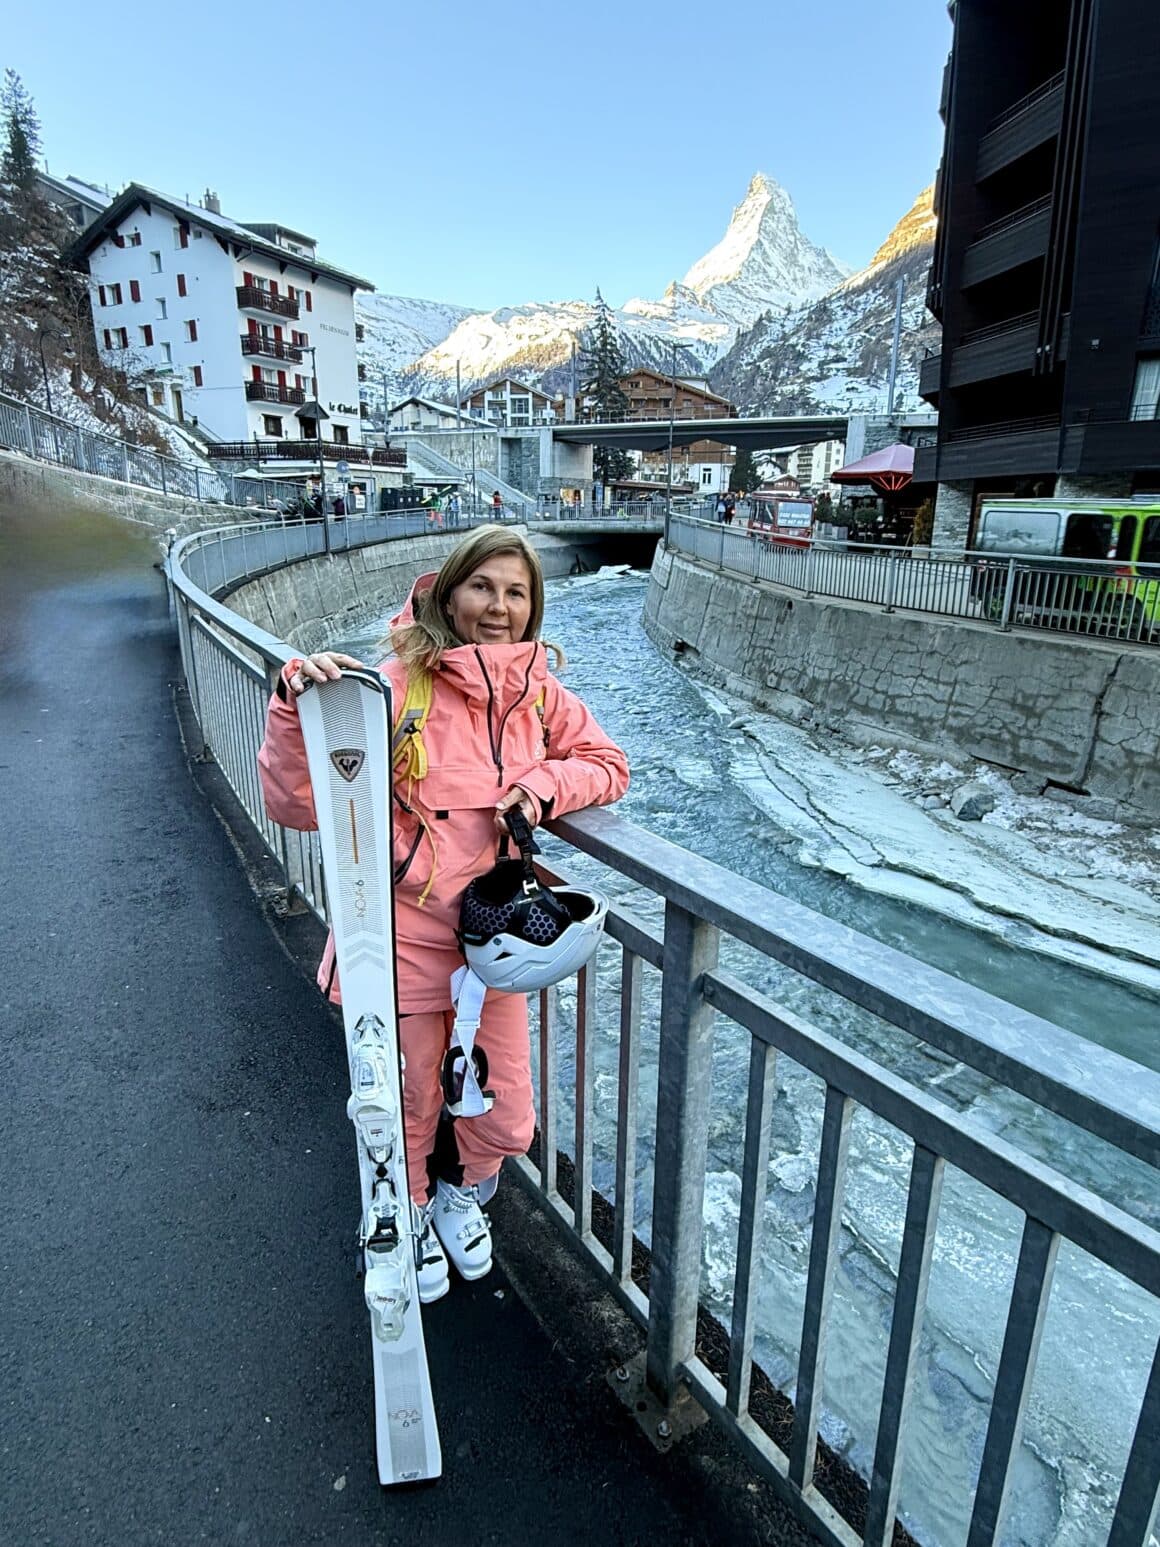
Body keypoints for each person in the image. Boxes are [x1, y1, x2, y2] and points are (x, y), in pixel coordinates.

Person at [258, 526, 629, 1302]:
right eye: (484, 587)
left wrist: (543, 789)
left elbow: (606, 764)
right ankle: (412, 1211)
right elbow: (295, 803)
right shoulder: (397, 687)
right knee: (410, 1106)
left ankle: (462, 1194)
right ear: (451, 593)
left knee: (509, 1116)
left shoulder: (538, 693)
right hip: (402, 945)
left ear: (534, 607)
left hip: (491, 950)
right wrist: (297, 708)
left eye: (517, 591)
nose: (500, 606)